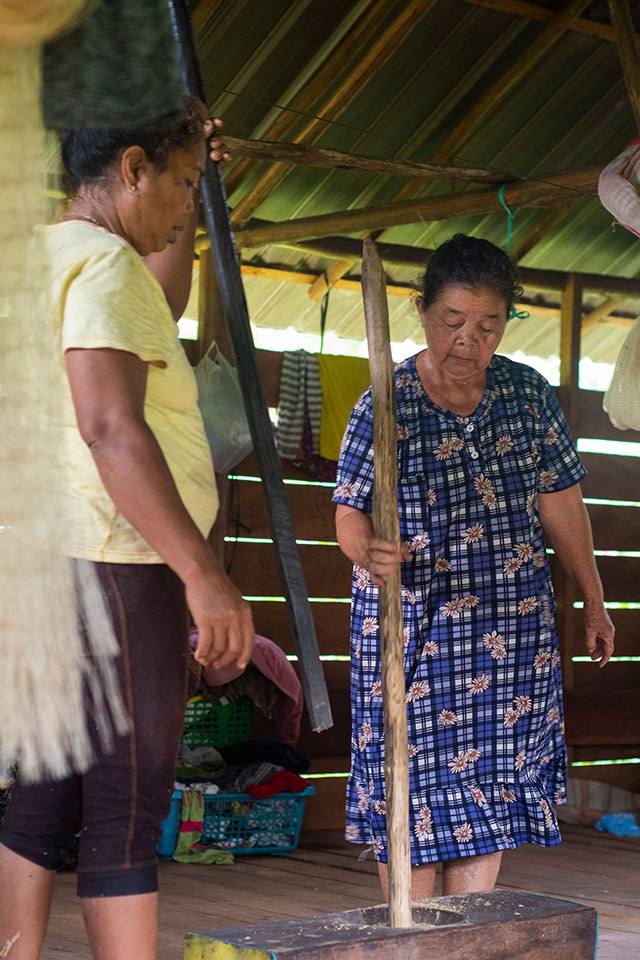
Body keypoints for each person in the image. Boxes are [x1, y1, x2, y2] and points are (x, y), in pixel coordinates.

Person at [0, 97, 255, 960]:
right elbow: (113, 427)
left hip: (45, 555)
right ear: (132, 167)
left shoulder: (48, 256)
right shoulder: (104, 268)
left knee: (46, 786)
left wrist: (196, 186)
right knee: (130, 793)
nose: (189, 203)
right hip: (117, 557)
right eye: (180, 182)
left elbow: (162, 298)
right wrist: (203, 573)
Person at [333, 234, 615, 901]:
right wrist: (365, 547)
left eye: (488, 325)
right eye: (453, 321)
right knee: (411, 786)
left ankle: (464, 937)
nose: (469, 338)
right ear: (422, 311)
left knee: (487, 794)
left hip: (507, 631)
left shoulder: (527, 394)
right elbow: (348, 508)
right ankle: (414, 937)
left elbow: (561, 500)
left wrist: (595, 600)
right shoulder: (384, 400)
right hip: (413, 627)